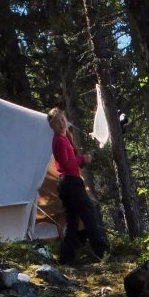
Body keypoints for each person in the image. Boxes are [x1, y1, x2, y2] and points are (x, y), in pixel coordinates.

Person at [47, 107, 108, 264]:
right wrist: (82, 159)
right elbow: (66, 164)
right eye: (57, 122)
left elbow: (69, 163)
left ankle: (66, 258)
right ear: (52, 126)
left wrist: (80, 160)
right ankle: (102, 252)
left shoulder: (64, 138)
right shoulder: (59, 141)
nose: (61, 124)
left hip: (68, 183)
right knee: (88, 214)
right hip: (70, 183)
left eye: (63, 120)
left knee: (72, 223)